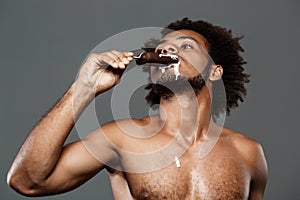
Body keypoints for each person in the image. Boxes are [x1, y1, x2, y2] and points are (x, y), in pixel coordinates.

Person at [7, 18, 268, 199]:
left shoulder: (248, 154)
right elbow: (27, 181)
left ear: (214, 71)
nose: (167, 49)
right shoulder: (122, 138)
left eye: (186, 46)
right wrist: (84, 87)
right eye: (163, 47)